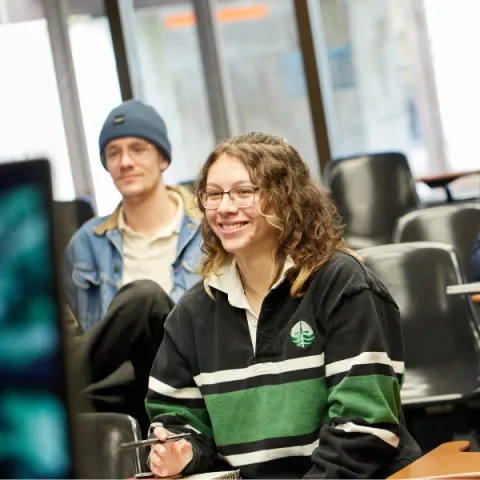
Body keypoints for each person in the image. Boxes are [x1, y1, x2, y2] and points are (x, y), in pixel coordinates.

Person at [145, 133, 420, 479]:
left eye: (244, 192)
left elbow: (364, 428)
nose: (225, 208)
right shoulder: (191, 312)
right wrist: (181, 454)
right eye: (213, 194)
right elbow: (176, 422)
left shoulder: (342, 283)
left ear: (285, 198)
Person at [63, 99, 202, 332]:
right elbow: (75, 343)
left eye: (138, 149)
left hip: (199, 365)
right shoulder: (86, 244)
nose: (125, 162)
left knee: (146, 296)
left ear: (163, 159)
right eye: (113, 153)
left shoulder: (209, 230)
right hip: (119, 368)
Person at [65, 279, 174, 434]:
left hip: (160, 369)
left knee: (146, 298)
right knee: (146, 297)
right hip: (100, 379)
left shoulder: (205, 259)